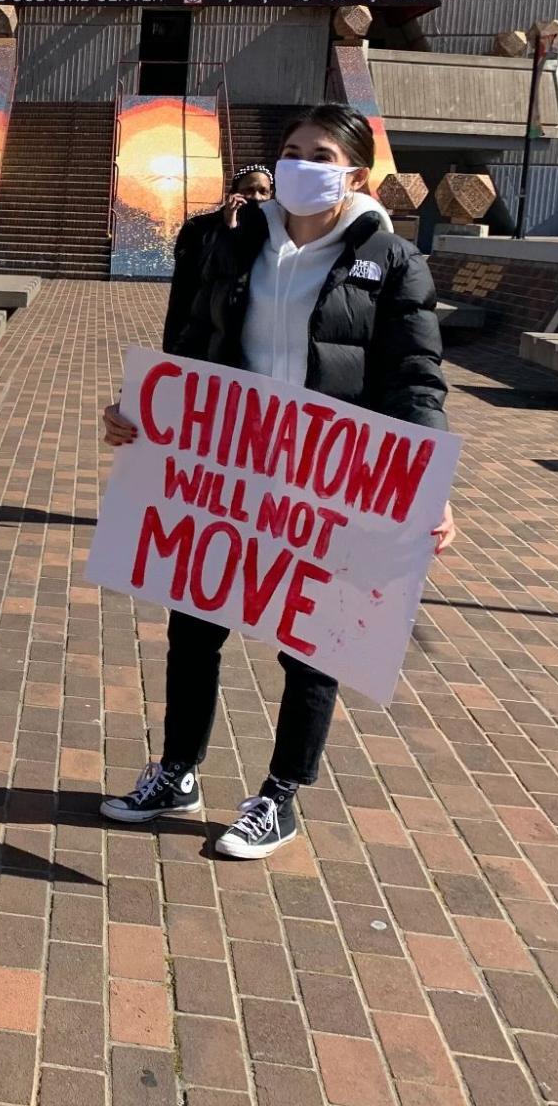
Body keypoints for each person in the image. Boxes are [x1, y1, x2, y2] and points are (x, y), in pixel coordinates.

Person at [98, 104, 456, 860]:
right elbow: (187, 348)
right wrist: (140, 412)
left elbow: (414, 379)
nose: (298, 165)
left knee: (312, 642)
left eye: (318, 153)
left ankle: (279, 795)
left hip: (328, 478)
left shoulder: (392, 263)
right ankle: (177, 770)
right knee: (194, 626)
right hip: (227, 470)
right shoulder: (225, 244)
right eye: (289, 151)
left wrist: (424, 481)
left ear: (354, 173)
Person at [161, 164, 275, 353]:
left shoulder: (275, 233)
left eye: (263, 192)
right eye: (249, 190)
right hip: (204, 331)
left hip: (251, 334)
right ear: (233, 194)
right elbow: (184, 288)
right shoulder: (199, 228)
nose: (256, 197)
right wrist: (229, 226)